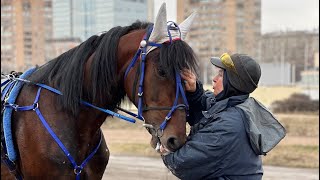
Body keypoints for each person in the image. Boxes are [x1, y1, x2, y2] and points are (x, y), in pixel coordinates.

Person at [160, 53, 286, 180]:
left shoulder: (228, 125)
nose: (214, 78)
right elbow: (205, 108)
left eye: (220, 74)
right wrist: (194, 92)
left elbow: (182, 163)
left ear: (232, 82)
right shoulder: (235, 107)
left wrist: (166, 147)